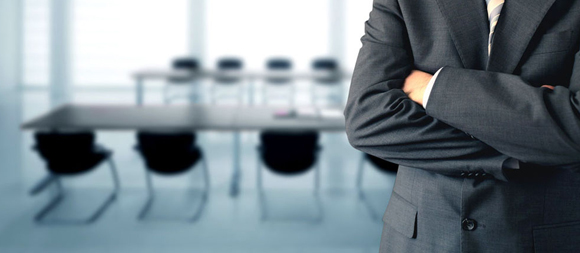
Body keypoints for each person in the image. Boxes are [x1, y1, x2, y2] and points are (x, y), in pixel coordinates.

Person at [344, 0, 580, 252]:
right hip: (421, 236)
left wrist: (431, 90)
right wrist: (528, 139)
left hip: (542, 237)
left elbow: (574, 129)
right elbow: (367, 118)